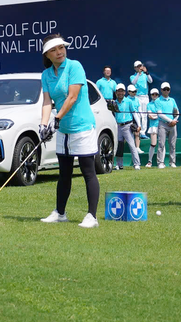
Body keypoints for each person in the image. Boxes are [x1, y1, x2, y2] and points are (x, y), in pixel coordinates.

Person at [38, 34, 100, 228]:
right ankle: (60, 213)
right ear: (47, 55)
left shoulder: (75, 66)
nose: (59, 52)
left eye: (61, 48)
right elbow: (48, 102)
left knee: (87, 171)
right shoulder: (46, 75)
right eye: (54, 50)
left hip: (81, 126)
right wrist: (43, 124)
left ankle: (92, 216)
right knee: (64, 173)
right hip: (64, 129)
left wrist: (56, 119)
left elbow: (72, 97)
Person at [112, 84, 140, 171]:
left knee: (132, 145)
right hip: (118, 126)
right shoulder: (114, 103)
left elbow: (134, 113)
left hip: (127, 126)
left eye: (122, 91)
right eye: (118, 91)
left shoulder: (128, 101)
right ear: (116, 92)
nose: (120, 93)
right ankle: (119, 164)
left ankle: (137, 164)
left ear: (124, 92)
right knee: (119, 146)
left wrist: (139, 125)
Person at [153, 83, 180, 168]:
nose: (166, 91)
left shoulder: (172, 100)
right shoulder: (158, 100)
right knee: (161, 144)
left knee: (172, 145)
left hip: (173, 124)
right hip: (163, 124)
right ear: (161, 90)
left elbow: (177, 112)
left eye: (167, 89)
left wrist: (174, 121)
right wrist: (170, 121)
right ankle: (160, 162)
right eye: (164, 89)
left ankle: (172, 162)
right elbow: (160, 114)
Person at [121, 84, 143, 170]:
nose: (134, 93)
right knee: (126, 137)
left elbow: (138, 110)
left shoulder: (137, 100)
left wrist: (140, 120)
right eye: (132, 92)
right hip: (129, 119)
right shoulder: (126, 100)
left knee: (137, 133)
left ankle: (137, 147)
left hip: (135, 117)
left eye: (135, 91)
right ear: (129, 92)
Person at [129, 60, 153, 138]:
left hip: (145, 96)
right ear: (135, 68)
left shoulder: (145, 75)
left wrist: (147, 72)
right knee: (138, 114)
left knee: (145, 115)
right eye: (138, 66)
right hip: (137, 97)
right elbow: (133, 82)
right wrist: (138, 74)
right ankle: (138, 131)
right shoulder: (132, 76)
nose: (139, 67)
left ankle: (143, 132)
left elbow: (150, 80)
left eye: (140, 66)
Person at [145, 87, 160, 165]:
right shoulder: (149, 104)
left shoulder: (160, 103)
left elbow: (159, 114)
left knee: (161, 144)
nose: (154, 95)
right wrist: (158, 115)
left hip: (161, 125)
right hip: (153, 126)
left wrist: (157, 115)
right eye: (153, 94)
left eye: (156, 94)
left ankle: (161, 162)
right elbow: (150, 116)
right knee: (153, 144)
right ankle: (150, 161)